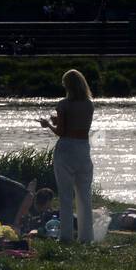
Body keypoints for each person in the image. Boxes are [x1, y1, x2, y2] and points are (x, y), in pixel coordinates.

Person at [39, 69, 96, 243]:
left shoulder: (63, 104)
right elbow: (78, 125)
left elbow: (62, 131)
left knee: (65, 195)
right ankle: (86, 237)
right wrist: (60, 121)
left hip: (66, 150)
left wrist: (48, 124)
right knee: (84, 196)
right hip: (83, 148)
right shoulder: (89, 104)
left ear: (67, 86)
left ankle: (66, 236)